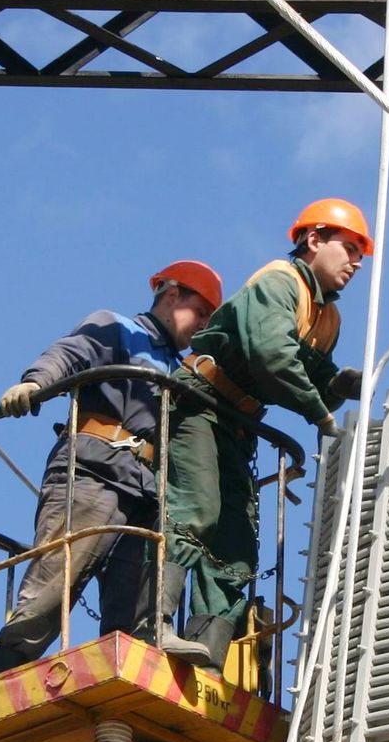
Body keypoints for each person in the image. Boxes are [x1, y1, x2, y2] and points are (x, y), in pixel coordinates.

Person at [143, 199, 370, 673]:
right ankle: (152, 623)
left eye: (359, 256)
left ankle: (206, 657)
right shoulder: (280, 282)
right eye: (348, 248)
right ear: (314, 240)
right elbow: (272, 357)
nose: (354, 263)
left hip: (237, 424)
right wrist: (319, 414)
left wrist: (335, 386)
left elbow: (307, 371)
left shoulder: (327, 317)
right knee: (196, 509)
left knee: (236, 545)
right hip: (200, 403)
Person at [0, 260, 223, 677]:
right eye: (199, 312)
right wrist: (35, 382)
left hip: (146, 490)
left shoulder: (181, 368)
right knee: (54, 586)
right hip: (95, 471)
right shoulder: (116, 327)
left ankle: (129, 676)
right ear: (171, 296)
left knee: (135, 605)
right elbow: (72, 353)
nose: (201, 325)